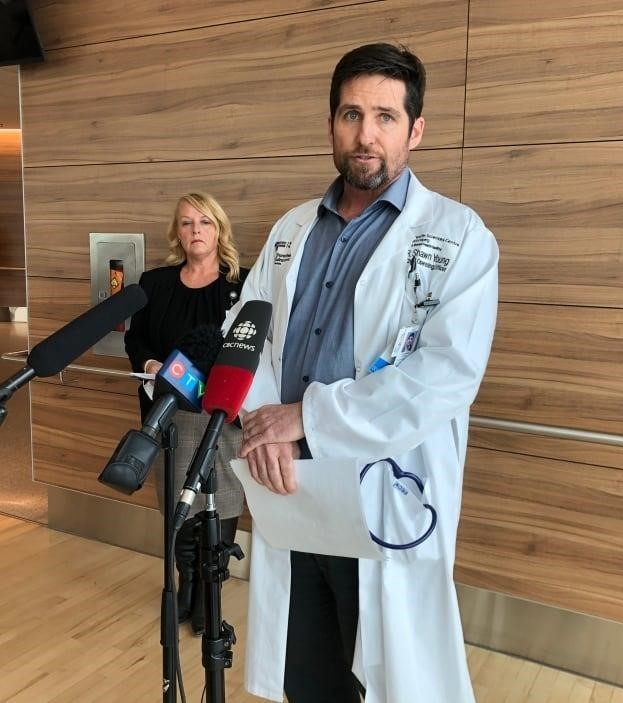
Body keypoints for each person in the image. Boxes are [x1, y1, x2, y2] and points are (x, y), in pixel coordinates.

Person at [230, 43, 498, 702]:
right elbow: (247, 331)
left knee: (389, 677)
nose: (366, 133)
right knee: (309, 672)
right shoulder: (291, 230)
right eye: (351, 114)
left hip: (382, 492)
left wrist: (310, 420)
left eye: (385, 115)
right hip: (290, 485)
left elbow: (444, 372)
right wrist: (266, 427)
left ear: (415, 130)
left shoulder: (459, 237)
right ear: (331, 126)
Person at [125, 191, 249, 636]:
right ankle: (186, 585)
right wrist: (150, 364)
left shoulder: (244, 285)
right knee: (179, 507)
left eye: (205, 222)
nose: (196, 231)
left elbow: (255, 351)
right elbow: (135, 339)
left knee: (220, 504)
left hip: (221, 417)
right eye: (186, 223)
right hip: (172, 412)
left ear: (219, 230)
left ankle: (209, 597)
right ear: (176, 232)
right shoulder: (154, 283)